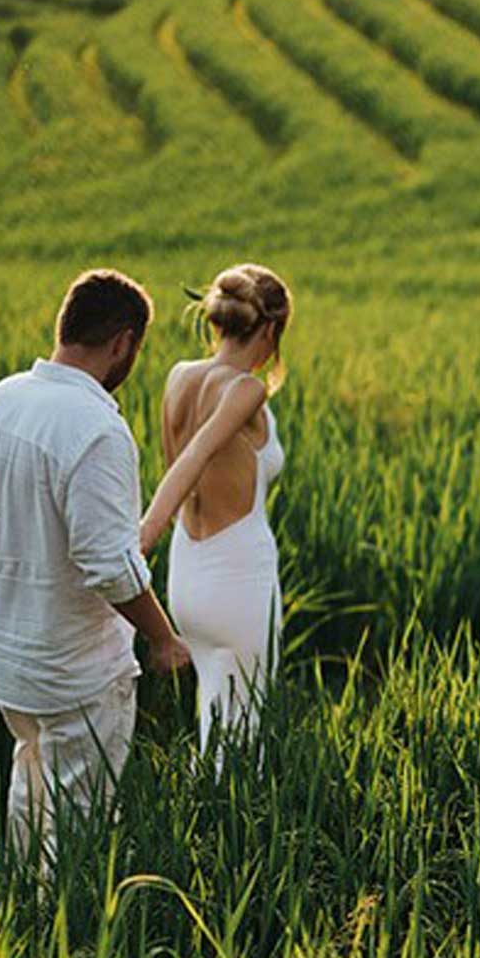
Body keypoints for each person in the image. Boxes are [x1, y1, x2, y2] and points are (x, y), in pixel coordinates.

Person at [0, 268, 192, 870]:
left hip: (6, 650)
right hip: (72, 665)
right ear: (122, 343)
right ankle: (59, 944)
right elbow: (110, 570)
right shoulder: (96, 428)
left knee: (31, 782)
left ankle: (16, 910)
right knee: (79, 820)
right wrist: (163, 637)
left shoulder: (5, 397)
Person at [140, 263, 290, 762]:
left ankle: (203, 817)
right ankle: (232, 831)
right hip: (239, 578)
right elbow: (195, 457)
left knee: (215, 714)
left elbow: (175, 459)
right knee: (246, 728)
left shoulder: (180, 376)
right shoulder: (246, 389)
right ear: (270, 329)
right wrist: (142, 536)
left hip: (188, 576)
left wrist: (152, 537)